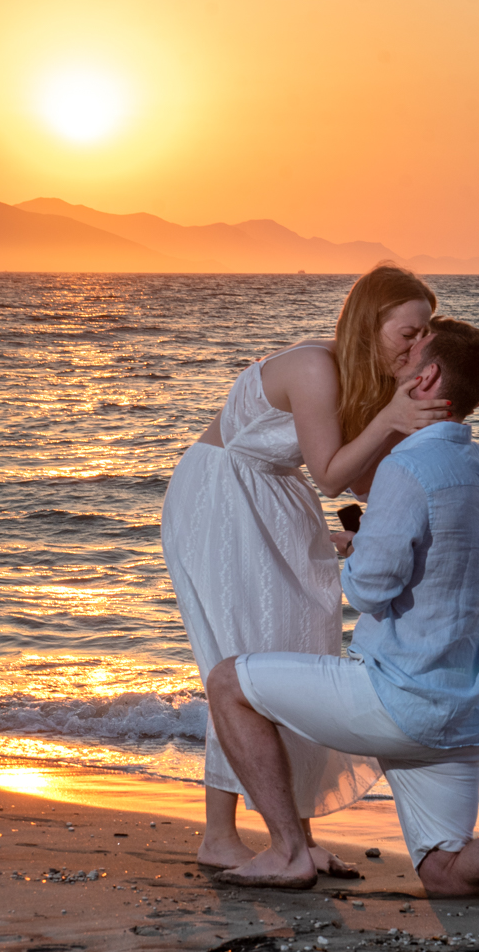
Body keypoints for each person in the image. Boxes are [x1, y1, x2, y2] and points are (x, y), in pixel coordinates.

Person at [204, 317, 479, 911]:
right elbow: (436, 556)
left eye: (411, 355)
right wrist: (369, 540)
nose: (398, 361)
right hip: (461, 710)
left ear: (427, 378)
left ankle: (287, 850)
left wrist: (353, 556)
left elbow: (370, 591)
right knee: (445, 872)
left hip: (397, 699)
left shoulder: (406, 466)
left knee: (228, 682)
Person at [161, 265, 451, 873]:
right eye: (408, 333)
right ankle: (220, 835)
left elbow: (363, 478)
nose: (416, 346)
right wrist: (391, 416)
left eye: (425, 334)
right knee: (240, 657)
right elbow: (329, 474)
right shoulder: (315, 366)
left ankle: (300, 837)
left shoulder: (368, 379)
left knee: (300, 654)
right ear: (368, 323)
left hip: (276, 498)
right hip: (221, 498)